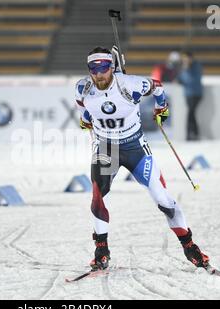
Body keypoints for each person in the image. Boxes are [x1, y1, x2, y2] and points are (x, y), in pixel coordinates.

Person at [75, 46, 210, 271]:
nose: (99, 74)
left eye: (104, 68)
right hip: (106, 148)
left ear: (112, 67)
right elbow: (82, 107)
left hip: (135, 147)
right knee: (97, 196)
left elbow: (157, 87)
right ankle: (101, 251)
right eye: (94, 69)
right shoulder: (83, 87)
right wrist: (85, 119)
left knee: (163, 200)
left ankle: (190, 247)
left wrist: (161, 108)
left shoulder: (130, 84)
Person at [177, 51, 203, 141]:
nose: (185, 60)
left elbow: (191, 79)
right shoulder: (183, 68)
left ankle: (190, 134)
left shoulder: (196, 66)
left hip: (196, 94)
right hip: (188, 94)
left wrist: (186, 69)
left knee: (190, 113)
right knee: (191, 113)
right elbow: (181, 79)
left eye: (187, 58)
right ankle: (194, 133)